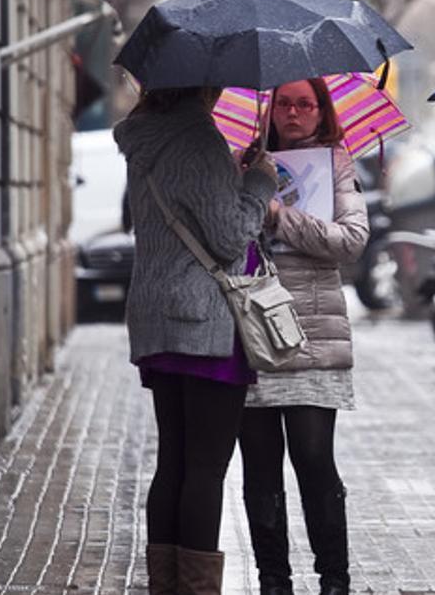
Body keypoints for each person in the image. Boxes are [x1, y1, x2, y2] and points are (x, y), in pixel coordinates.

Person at [115, 85, 279, 594]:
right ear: (203, 85)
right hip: (204, 321)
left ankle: (166, 585)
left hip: (157, 316)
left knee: (174, 461)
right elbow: (230, 237)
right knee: (206, 469)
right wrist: (257, 184)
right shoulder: (198, 139)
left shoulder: (144, 140)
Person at [238, 78, 369, 595]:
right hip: (253, 330)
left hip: (315, 334)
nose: (294, 113)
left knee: (314, 460)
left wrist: (279, 216)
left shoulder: (337, 164)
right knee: (260, 466)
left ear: (321, 112)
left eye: (305, 104)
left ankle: (334, 577)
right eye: (284, 103)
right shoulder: (246, 163)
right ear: (270, 110)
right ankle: (274, 578)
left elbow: (352, 241)